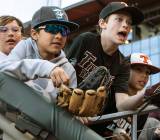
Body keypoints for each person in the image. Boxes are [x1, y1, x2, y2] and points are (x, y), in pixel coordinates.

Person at [0, 6, 104, 140]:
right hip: (12, 123)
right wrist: (46, 67)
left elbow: (63, 109)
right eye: (52, 29)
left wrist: (75, 112)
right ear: (34, 34)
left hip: (42, 131)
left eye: (64, 31)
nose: (59, 36)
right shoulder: (25, 46)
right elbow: (3, 70)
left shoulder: (68, 69)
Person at [64, 1, 145, 136]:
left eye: (129, 22)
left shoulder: (123, 63)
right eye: (119, 19)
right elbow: (64, 75)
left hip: (90, 123)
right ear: (103, 24)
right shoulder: (86, 40)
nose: (125, 25)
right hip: (65, 110)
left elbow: (122, 105)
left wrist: (146, 94)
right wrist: (73, 107)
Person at [108, 53, 160, 140]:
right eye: (139, 70)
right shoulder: (111, 91)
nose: (144, 75)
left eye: (147, 72)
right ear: (125, 70)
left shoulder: (144, 107)